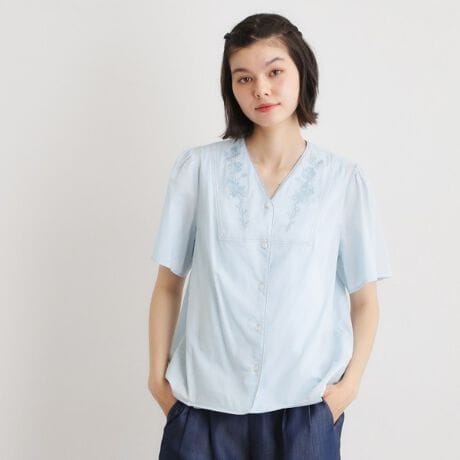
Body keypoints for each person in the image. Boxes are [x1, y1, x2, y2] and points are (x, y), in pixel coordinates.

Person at [148, 12, 392, 460]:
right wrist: (157, 382)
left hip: (305, 413)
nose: (260, 89)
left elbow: (365, 299)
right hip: (203, 408)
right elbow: (168, 285)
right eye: (243, 78)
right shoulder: (198, 171)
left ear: (302, 71)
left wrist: (348, 388)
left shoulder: (343, 181)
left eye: (274, 72)